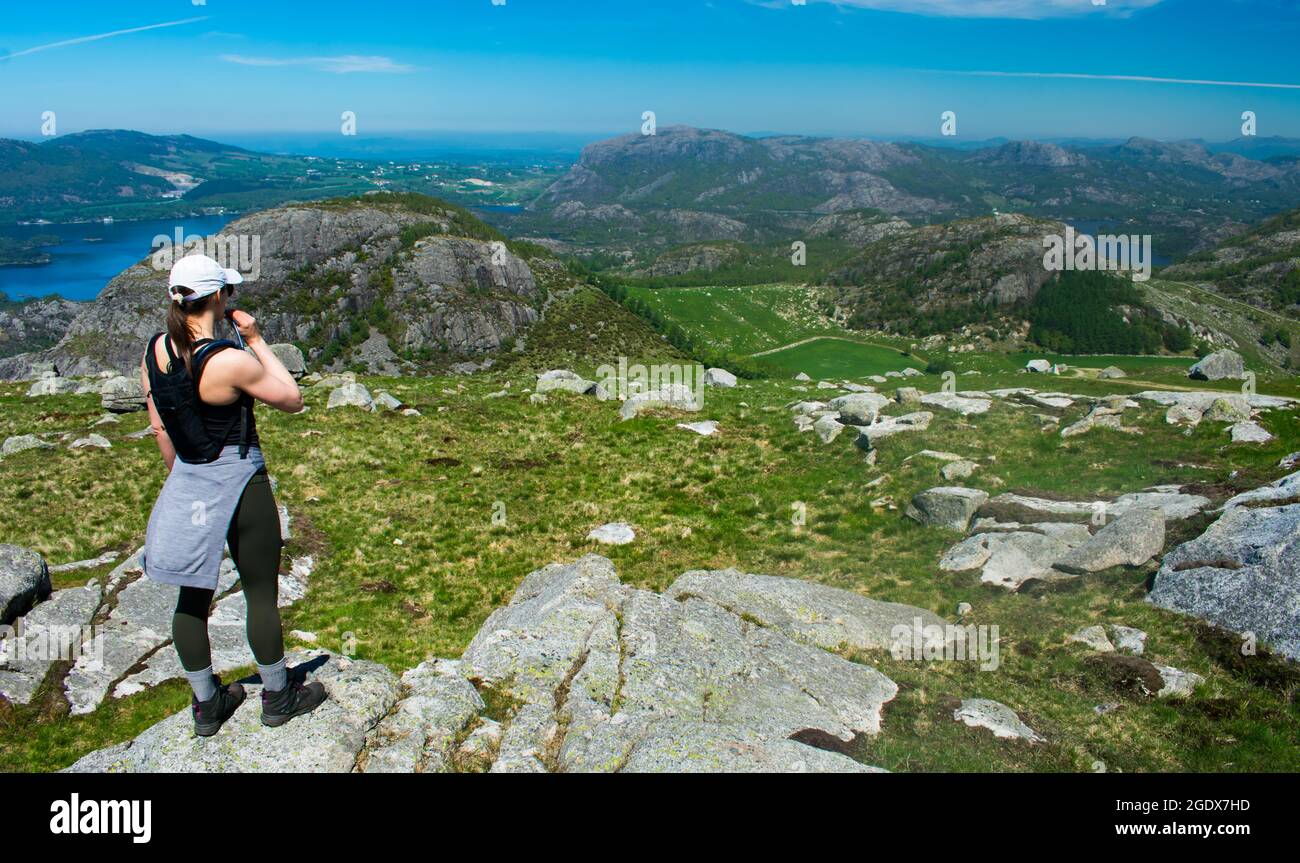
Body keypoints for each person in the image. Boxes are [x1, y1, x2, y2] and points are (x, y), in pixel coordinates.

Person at [140, 254, 326, 736]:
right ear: (218, 298)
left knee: (191, 596)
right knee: (259, 590)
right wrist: (258, 339)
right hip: (242, 481)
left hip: (188, 478)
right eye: (228, 292)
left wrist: (186, 481)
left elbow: (160, 426)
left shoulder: (155, 352)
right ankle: (279, 694)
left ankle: (207, 704)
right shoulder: (228, 360)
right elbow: (291, 398)